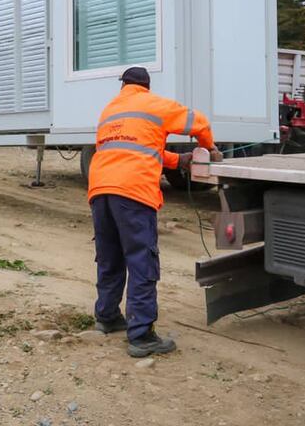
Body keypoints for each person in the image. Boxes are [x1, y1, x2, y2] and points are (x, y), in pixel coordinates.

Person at [87, 66, 222, 358]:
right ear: (146, 86)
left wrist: (179, 160)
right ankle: (141, 336)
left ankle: (107, 316)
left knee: (109, 257)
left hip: (100, 190)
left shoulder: (109, 111)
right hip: (133, 192)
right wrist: (209, 148)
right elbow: (199, 122)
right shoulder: (153, 104)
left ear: (123, 85)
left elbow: (139, 150)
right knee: (141, 259)